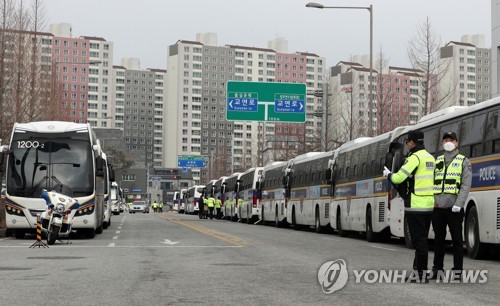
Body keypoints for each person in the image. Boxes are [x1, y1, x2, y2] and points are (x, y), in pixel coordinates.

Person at [383, 129, 435, 283]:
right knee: (422, 239)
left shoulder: (414, 158)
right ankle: (417, 271)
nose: (406, 145)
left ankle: (421, 274)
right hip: (428, 205)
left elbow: (399, 178)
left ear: (412, 142)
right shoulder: (430, 158)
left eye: (407, 142)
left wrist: (388, 175)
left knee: (419, 242)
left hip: (415, 205)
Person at [431, 131, 472, 281]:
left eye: (451, 140)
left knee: (457, 241)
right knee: (438, 241)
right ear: (442, 143)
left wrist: (459, 204)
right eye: (445, 140)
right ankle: (437, 269)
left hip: (454, 208)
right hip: (438, 208)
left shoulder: (464, 161)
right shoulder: (437, 160)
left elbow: (465, 186)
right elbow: (431, 182)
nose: (448, 142)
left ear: (456, 143)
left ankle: (457, 271)